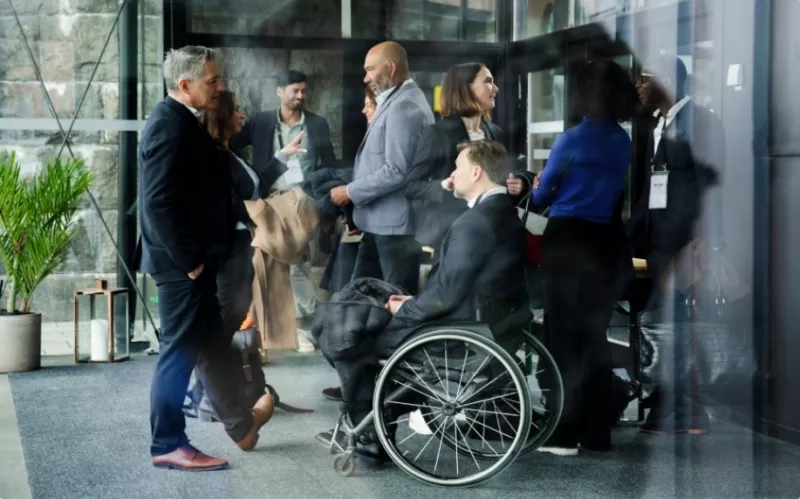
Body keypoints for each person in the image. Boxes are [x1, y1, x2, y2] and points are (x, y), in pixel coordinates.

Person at [316, 139, 528, 461]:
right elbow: (458, 286)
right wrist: (415, 300)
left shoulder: (474, 223)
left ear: (475, 172)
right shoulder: (504, 213)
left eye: (457, 168)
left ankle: (367, 436)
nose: (452, 176)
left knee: (354, 340)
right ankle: (376, 424)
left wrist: (408, 307)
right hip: (494, 320)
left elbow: (447, 296)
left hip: (465, 330)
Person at [136, 46, 271, 472]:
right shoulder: (168, 126)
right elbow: (156, 203)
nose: (219, 87)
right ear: (185, 85)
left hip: (197, 259)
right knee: (178, 352)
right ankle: (168, 442)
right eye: (212, 81)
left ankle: (241, 427)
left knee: (213, 343)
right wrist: (189, 260)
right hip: (182, 265)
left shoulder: (182, 123)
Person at [515, 59, 638, 456]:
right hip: (603, 242)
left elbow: (543, 194)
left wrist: (535, 188)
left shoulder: (572, 138)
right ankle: (597, 431)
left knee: (562, 336)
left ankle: (563, 431)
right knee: (594, 336)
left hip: (567, 240)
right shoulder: (622, 140)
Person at [627, 55, 725, 435]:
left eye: (645, 78)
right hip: (659, 241)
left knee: (675, 325)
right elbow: (656, 186)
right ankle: (670, 401)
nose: (638, 86)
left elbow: (712, 181)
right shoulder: (659, 122)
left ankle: (684, 409)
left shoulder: (701, 122)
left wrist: (703, 241)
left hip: (683, 242)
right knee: (666, 323)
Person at [188, 90, 282, 423]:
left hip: (240, 250)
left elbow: (251, 188)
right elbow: (227, 205)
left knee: (228, 324)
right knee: (223, 328)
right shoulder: (214, 157)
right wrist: (261, 211)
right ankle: (209, 401)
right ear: (223, 117)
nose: (243, 117)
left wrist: (281, 158)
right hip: (229, 253)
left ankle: (209, 399)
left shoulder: (230, 153)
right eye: (237, 111)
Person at [230, 70, 336, 352]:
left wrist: (322, 202)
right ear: (280, 91)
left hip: (302, 201)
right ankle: (306, 323)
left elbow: (329, 166)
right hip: (270, 203)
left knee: (296, 261)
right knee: (285, 262)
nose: (300, 96)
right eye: (295, 90)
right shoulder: (261, 122)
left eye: (303, 91)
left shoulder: (317, 124)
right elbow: (229, 144)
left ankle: (303, 324)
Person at [330, 41, 435, 295]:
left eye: (370, 69)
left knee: (393, 302)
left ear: (391, 67)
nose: (366, 77)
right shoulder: (398, 100)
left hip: (394, 230)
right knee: (360, 299)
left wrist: (350, 192)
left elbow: (396, 171)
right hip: (381, 225)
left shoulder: (404, 106)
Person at [405, 62, 503, 250]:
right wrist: (443, 185)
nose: (496, 88)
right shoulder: (437, 133)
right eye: (488, 81)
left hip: (491, 231)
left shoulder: (495, 132)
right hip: (450, 235)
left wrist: (520, 182)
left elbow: (503, 175)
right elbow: (411, 186)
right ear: (465, 88)